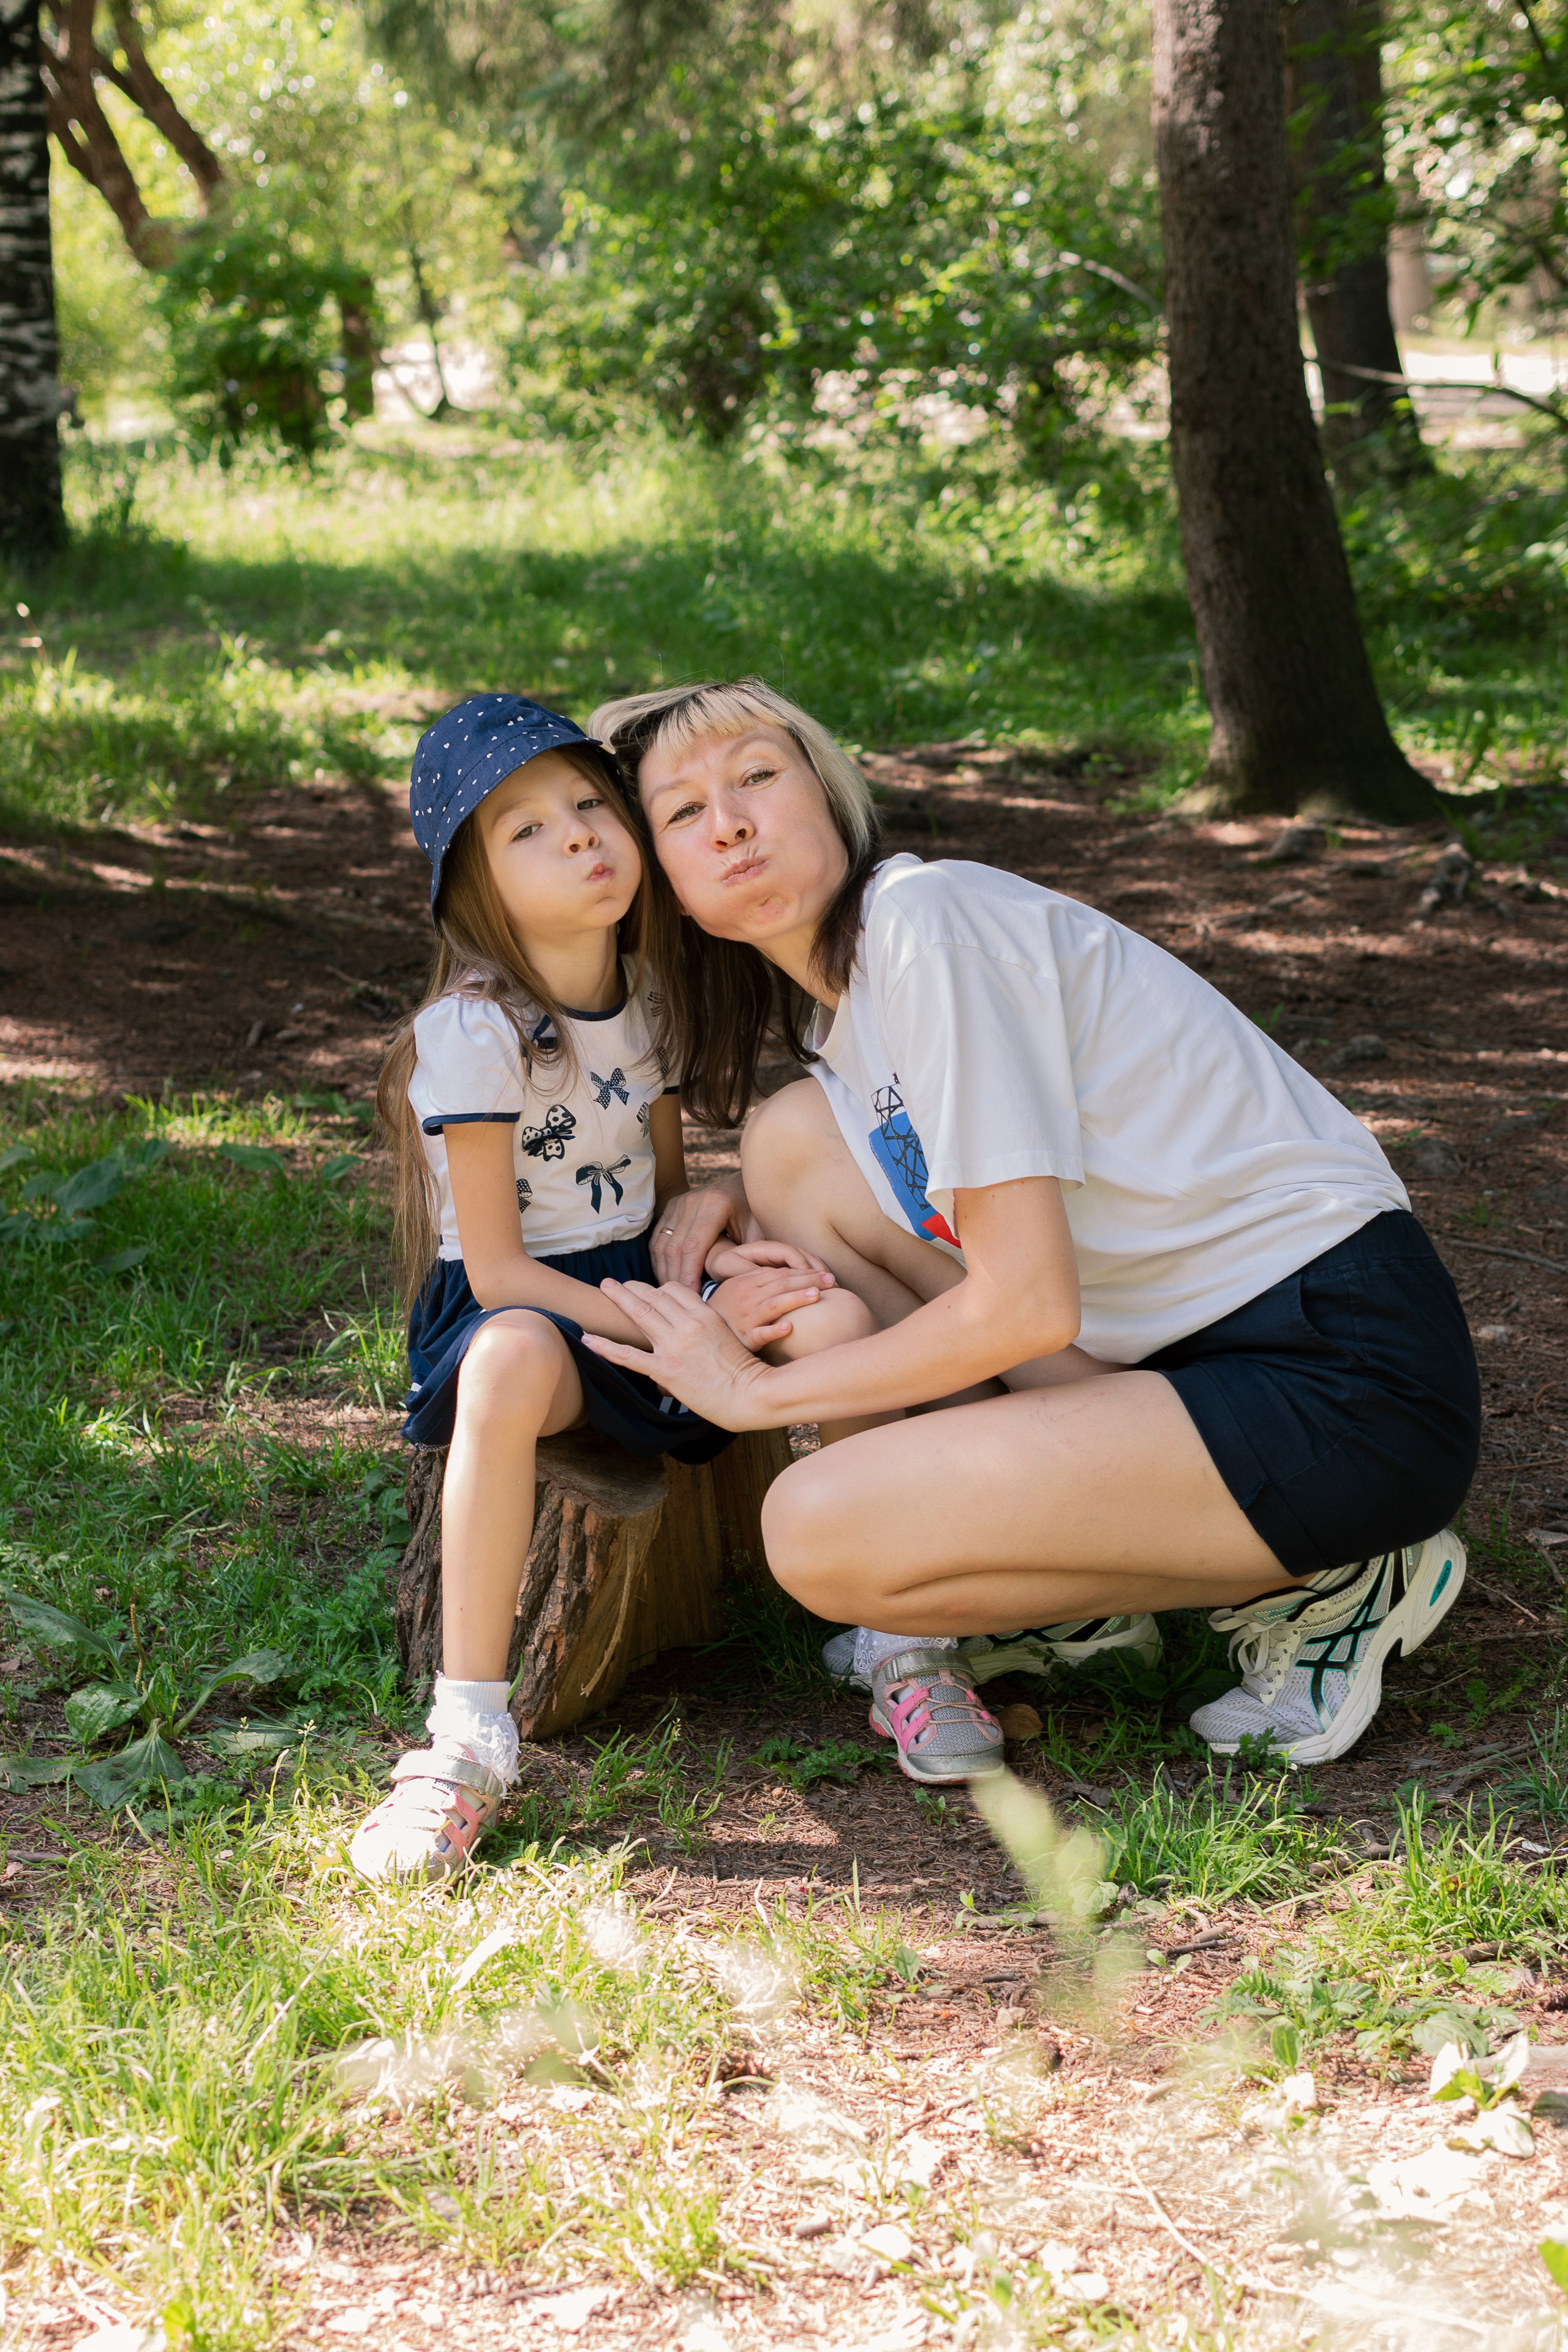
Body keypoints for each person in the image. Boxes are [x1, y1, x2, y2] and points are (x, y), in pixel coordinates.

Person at [578, 678, 1479, 1785]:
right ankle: (1082, 1594)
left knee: (819, 1530)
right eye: (681, 811)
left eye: (759, 775)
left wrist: (755, 1394)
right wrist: (734, 1199)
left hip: (1341, 1376)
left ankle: (1333, 1577)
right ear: (662, 880)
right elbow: (923, 1210)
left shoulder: (926, 923)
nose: (729, 820)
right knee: (792, 1145)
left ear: (831, 796)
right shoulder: (852, 1014)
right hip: (1182, 1358)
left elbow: (1025, 1304)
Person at [352, 694, 865, 1882]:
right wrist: (683, 1327)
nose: (580, 836)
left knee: (822, 1309)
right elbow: (498, 1272)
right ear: (472, 885)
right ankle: (467, 1729)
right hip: (525, 1305)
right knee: (509, 1361)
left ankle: (899, 1635)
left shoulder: (641, 1002)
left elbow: (664, 1200)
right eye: (526, 830)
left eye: (591, 805)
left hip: (637, 1278)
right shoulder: (472, 1035)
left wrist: (728, 1253)